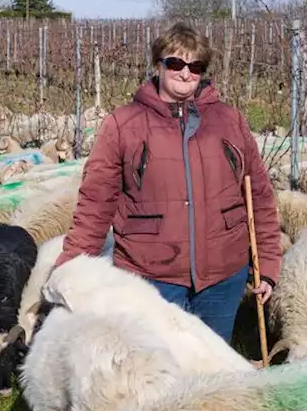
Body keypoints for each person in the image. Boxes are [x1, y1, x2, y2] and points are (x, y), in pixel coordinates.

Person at [53, 23, 282, 343]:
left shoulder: (229, 121)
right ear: (158, 65)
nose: (185, 73)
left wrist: (268, 264)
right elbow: (95, 203)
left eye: (195, 66)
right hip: (150, 276)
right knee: (160, 368)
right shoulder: (123, 124)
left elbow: (258, 195)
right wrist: (71, 268)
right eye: (176, 63)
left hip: (222, 276)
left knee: (212, 369)